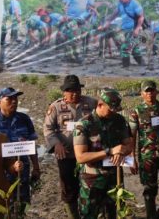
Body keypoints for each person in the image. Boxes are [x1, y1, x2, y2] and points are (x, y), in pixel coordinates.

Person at [73, 89, 133, 219]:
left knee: (112, 212)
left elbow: (129, 145)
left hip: (114, 176)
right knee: (89, 214)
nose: (114, 112)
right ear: (100, 105)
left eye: (116, 109)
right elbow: (81, 157)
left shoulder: (120, 120)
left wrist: (122, 151)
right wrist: (110, 152)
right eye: (111, 109)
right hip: (92, 179)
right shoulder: (84, 124)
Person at [43, 75, 97, 218]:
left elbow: (101, 120)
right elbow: (48, 129)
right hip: (66, 154)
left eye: (77, 90)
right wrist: (56, 144)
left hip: (88, 154)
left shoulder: (91, 103)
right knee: (68, 188)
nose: (74, 93)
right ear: (64, 92)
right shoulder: (55, 107)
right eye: (70, 91)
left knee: (90, 186)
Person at [128, 80, 159, 219]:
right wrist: (132, 158)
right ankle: (151, 215)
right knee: (149, 189)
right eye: (147, 91)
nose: (150, 94)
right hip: (147, 157)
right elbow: (132, 137)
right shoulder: (136, 112)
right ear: (142, 93)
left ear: (156, 92)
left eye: (152, 90)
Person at [0, 87, 40, 215]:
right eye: (9, 99)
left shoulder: (24, 119)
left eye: (15, 98)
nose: (14, 101)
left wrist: (36, 167)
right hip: (0, 174)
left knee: (22, 207)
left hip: (22, 173)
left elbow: (31, 145)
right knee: (2, 209)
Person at [106, 0, 145, 67]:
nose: (119, 0)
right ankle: (142, 64)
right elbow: (115, 13)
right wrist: (108, 21)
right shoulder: (120, 4)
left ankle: (126, 66)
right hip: (125, 29)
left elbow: (141, 17)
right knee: (134, 48)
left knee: (125, 47)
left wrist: (137, 28)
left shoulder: (135, 4)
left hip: (135, 29)